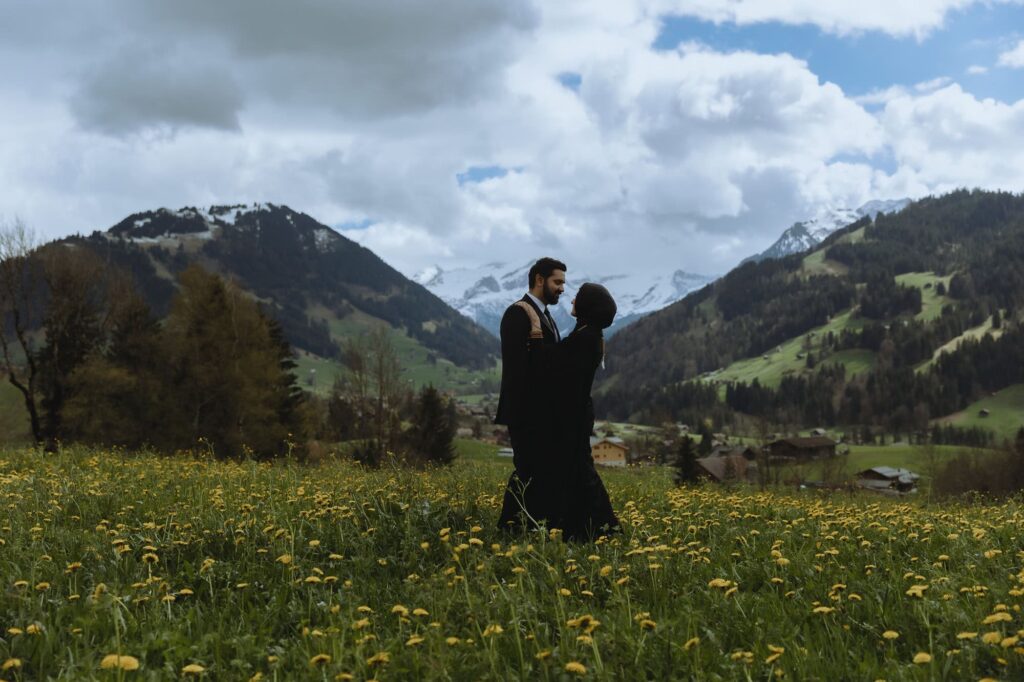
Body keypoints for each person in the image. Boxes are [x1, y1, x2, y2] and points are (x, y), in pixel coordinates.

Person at [539, 282, 621, 541]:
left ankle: (603, 526)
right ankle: (582, 527)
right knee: (576, 470)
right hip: (575, 412)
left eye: (578, 298)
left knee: (580, 471)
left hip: (572, 414)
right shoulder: (589, 333)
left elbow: (557, 365)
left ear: (588, 306)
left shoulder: (585, 338)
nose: (572, 301)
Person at [495, 257, 566, 532]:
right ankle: (509, 527)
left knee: (536, 472)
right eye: (557, 282)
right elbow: (517, 369)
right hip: (527, 411)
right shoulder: (517, 313)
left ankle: (527, 525)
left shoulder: (545, 315)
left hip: (542, 411)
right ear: (539, 280)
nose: (561, 288)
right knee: (526, 471)